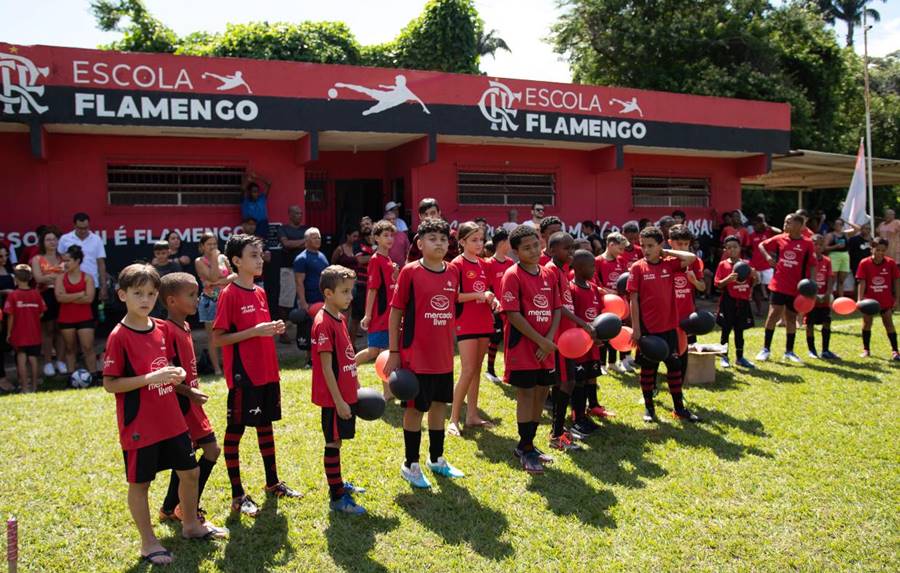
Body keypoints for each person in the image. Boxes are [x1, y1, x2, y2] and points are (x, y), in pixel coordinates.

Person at [102, 264, 225, 567]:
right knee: (140, 484)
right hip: (140, 424)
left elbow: (166, 366)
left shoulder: (160, 328)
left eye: (150, 293)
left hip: (172, 419)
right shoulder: (119, 336)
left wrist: (176, 375)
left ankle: (191, 525)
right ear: (122, 295)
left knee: (190, 472)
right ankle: (148, 542)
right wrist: (149, 379)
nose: (145, 299)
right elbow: (110, 383)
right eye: (137, 293)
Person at [212, 234, 301, 517]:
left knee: (266, 425)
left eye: (260, 254)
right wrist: (255, 331)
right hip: (243, 375)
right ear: (236, 261)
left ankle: (272, 483)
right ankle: (237, 495)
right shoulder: (229, 293)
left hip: (266, 373)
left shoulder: (259, 291)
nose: (259, 259)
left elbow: (258, 329)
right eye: (253, 255)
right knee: (235, 431)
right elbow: (218, 339)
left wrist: (271, 328)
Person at [384, 218, 465, 489]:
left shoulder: (453, 272)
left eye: (443, 239)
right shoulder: (410, 272)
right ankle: (410, 464)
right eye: (433, 239)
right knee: (415, 408)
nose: (439, 243)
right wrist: (395, 351)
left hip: (443, 356)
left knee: (439, 406)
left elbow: (453, 309)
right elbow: (395, 313)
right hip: (415, 356)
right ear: (420, 244)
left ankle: (436, 458)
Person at [157, 272, 221, 524]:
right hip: (181, 407)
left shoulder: (184, 326)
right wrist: (188, 391)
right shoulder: (166, 330)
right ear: (172, 301)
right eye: (191, 295)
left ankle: (170, 507)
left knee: (192, 458)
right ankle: (185, 507)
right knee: (207, 452)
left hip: (192, 405)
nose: (197, 299)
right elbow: (165, 374)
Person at [500, 225, 561, 474]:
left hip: (545, 348)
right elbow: (513, 314)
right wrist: (540, 341)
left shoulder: (549, 274)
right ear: (515, 252)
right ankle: (524, 448)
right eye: (526, 248)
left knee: (541, 392)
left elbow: (556, 308)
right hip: (523, 348)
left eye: (536, 245)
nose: (534, 250)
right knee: (526, 394)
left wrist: (548, 340)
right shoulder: (512, 275)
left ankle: (530, 445)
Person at [626, 226, 700, 423]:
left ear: (660, 245)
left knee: (674, 368)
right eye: (643, 245)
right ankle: (649, 409)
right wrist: (637, 329)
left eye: (651, 245)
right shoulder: (637, 268)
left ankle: (679, 408)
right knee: (648, 370)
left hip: (670, 329)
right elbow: (633, 299)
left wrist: (667, 251)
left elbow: (691, 258)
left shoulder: (670, 264)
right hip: (649, 331)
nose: (646, 250)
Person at [310, 265, 367, 514]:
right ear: (328, 293)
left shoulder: (340, 318)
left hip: (345, 394)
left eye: (351, 291)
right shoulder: (323, 323)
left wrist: (356, 384)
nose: (350, 296)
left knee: (339, 440)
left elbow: (345, 358)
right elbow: (325, 368)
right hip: (334, 399)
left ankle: (338, 482)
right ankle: (337, 497)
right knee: (332, 442)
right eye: (344, 291)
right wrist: (339, 402)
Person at [545, 232, 595, 450]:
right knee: (567, 382)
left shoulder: (563, 271)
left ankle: (558, 429)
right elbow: (559, 307)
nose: (571, 253)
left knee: (564, 382)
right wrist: (583, 324)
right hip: (559, 337)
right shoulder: (551, 271)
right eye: (567, 249)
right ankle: (557, 434)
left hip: (568, 336)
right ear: (552, 250)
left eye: (572, 249)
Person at [448, 222, 497, 436]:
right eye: (474, 240)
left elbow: (487, 291)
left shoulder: (483, 264)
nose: (479, 243)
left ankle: (472, 416)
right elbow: (454, 297)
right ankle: (453, 419)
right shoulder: (456, 265)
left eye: (481, 239)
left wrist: (492, 300)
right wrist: (480, 295)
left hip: (484, 321)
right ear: (462, 242)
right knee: (467, 370)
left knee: (476, 370)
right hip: (465, 323)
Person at [756, 214, 815, 363]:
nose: (785, 224)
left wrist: (812, 285)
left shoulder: (808, 243)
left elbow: (812, 265)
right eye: (785, 221)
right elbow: (761, 245)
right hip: (778, 284)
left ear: (798, 225)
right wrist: (768, 258)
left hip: (796, 288)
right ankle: (765, 349)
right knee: (773, 315)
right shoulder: (779, 238)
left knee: (791, 317)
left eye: (788, 222)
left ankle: (789, 351)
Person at [569, 249, 614, 430]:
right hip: (578, 344)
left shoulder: (594, 288)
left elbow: (598, 314)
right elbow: (570, 318)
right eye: (591, 266)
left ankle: (593, 406)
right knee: (578, 379)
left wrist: (601, 334)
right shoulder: (571, 289)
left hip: (593, 343)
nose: (595, 269)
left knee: (592, 375)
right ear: (579, 268)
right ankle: (577, 415)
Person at [357, 220, 398, 393]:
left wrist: (395, 274)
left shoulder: (388, 260)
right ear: (376, 238)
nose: (389, 239)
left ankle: (388, 392)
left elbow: (390, 286)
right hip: (380, 315)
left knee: (384, 352)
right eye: (385, 235)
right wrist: (367, 315)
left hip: (390, 313)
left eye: (391, 235)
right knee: (376, 351)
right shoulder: (375, 260)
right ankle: (348, 366)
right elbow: (373, 289)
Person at [668, 224, 705, 375]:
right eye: (679, 243)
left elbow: (702, 287)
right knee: (663, 350)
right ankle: (653, 387)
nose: (683, 247)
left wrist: (695, 281)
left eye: (686, 244)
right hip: (666, 315)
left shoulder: (694, 261)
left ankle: (679, 387)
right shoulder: (664, 260)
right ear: (670, 243)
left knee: (682, 351)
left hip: (686, 315)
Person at [195, 232, 234, 376]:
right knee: (213, 336)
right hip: (210, 302)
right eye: (209, 244)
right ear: (202, 246)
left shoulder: (223, 258)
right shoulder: (199, 261)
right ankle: (217, 368)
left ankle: (229, 364)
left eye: (214, 244)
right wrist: (213, 259)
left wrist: (218, 282)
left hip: (226, 300)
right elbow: (210, 276)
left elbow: (234, 275)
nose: (212, 247)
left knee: (229, 333)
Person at [715, 236, 757, 368]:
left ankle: (740, 357)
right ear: (725, 250)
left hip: (743, 302)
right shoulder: (723, 264)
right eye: (729, 247)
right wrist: (728, 279)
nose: (732, 249)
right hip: (728, 301)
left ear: (740, 248)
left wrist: (755, 276)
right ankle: (724, 356)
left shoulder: (747, 264)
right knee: (725, 330)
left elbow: (753, 283)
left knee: (740, 331)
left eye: (735, 247)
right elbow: (717, 284)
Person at [55, 245, 97, 379]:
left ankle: (94, 376)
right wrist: (79, 294)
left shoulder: (88, 277)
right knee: (69, 348)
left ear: (77, 261)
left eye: (68, 260)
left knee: (88, 347)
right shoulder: (60, 278)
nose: (64, 264)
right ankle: (70, 378)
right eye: (63, 261)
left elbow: (89, 298)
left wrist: (68, 297)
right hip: (66, 318)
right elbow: (59, 297)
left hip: (85, 317)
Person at [29, 227, 66, 377]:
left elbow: (66, 276)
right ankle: (48, 362)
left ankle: (61, 361)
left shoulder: (63, 258)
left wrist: (50, 276)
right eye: (48, 239)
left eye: (54, 239)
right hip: (45, 296)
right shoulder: (37, 259)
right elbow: (38, 278)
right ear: (43, 242)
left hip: (61, 296)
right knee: (48, 330)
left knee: (61, 330)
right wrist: (57, 276)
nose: (52, 242)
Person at [856, 238, 900, 360]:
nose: (880, 253)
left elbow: (896, 281)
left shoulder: (890, 263)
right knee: (866, 324)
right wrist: (860, 300)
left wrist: (897, 299)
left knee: (889, 324)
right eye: (877, 250)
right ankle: (866, 350)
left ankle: (895, 351)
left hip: (885, 300)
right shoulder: (864, 263)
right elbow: (862, 282)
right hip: (869, 300)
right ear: (872, 249)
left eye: (883, 250)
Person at [595, 232, 632, 374]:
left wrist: (622, 294)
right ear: (611, 245)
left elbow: (625, 281)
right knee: (605, 331)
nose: (622, 252)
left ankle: (617, 361)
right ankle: (602, 364)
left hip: (620, 303)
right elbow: (595, 283)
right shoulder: (598, 261)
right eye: (620, 248)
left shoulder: (621, 261)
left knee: (620, 330)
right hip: (606, 303)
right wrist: (609, 292)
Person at [4, 264, 45, 393]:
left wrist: (9, 333)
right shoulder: (36, 294)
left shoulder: (13, 295)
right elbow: (42, 312)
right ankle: (34, 386)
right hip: (34, 332)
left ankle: (24, 387)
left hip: (19, 333)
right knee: (33, 359)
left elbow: (10, 316)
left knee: (21, 358)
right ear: (30, 277)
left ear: (15, 278)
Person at [294, 227, 330, 362]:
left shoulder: (322, 256)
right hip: (311, 301)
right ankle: (309, 359)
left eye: (319, 237)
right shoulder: (301, 259)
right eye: (314, 237)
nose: (318, 240)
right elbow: (299, 282)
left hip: (324, 300)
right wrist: (303, 302)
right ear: (307, 240)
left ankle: (323, 356)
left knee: (323, 329)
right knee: (309, 330)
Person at [58, 212, 108, 307]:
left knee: (93, 317)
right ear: (74, 225)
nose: (83, 231)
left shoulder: (96, 239)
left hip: (92, 283)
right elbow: (59, 261)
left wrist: (103, 286)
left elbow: (101, 264)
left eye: (86, 228)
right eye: (80, 228)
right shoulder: (65, 239)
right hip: (69, 284)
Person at [485, 229, 515, 384]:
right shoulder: (488, 263)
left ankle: (508, 371)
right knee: (495, 339)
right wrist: (493, 303)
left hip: (509, 309)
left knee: (509, 340)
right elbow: (486, 287)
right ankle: (490, 370)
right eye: (509, 241)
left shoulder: (510, 263)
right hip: (494, 308)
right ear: (502, 243)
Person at [277, 205, 308, 341]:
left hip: (305, 270)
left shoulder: (305, 229)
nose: (299, 216)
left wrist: (295, 243)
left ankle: (304, 331)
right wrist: (303, 242)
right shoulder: (283, 229)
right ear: (289, 214)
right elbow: (286, 244)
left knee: (304, 301)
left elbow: (310, 244)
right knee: (285, 302)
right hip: (288, 269)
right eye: (296, 213)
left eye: (301, 213)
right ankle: (282, 332)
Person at [806, 235, 837, 360]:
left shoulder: (827, 260)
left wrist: (828, 293)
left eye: (820, 244)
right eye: (815, 244)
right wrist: (812, 295)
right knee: (810, 324)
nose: (818, 247)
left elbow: (830, 277)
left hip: (824, 297)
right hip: (810, 298)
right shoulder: (807, 260)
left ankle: (825, 350)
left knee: (827, 322)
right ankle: (812, 350)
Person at [746, 216, 778, 317]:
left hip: (767, 266)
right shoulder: (751, 235)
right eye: (753, 224)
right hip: (755, 265)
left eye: (756, 224)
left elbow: (780, 232)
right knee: (757, 289)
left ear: (762, 224)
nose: (754, 226)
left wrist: (768, 226)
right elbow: (747, 248)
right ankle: (759, 311)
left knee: (771, 289)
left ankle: (772, 310)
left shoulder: (768, 233)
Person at [824, 219, 860, 299]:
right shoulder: (830, 235)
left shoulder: (845, 234)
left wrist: (846, 221)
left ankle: (841, 299)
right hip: (834, 255)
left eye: (840, 224)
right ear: (833, 226)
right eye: (836, 224)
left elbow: (857, 229)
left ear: (842, 226)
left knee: (841, 281)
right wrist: (835, 246)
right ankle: (829, 298)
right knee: (832, 280)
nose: (838, 226)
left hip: (845, 255)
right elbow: (824, 247)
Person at [352, 226, 375, 340]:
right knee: (356, 318)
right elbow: (360, 260)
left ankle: (372, 346)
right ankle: (351, 346)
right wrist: (376, 255)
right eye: (363, 223)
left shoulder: (376, 244)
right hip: (361, 284)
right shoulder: (358, 244)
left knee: (373, 316)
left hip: (375, 285)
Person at [151, 240, 181, 318]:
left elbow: (178, 282)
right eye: (158, 253)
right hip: (156, 302)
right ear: (154, 253)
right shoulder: (152, 269)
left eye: (163, 253)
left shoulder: (175, 266)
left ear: (168, 252)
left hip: (172, 299)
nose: (161, 256)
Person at [0, 246, 15, 392]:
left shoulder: (11, 272)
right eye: (0, 257)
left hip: (11, 315)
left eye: (6, 256)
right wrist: (4, 292)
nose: (4, 259)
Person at [241, 172, 272, 238]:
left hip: (262, 225)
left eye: (257, 191)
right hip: (250, 225)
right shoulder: (245, 201)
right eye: (254, 192)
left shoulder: (262, 198)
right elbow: (243, 188)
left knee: (261, 245)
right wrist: (248, 180)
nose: (256, 194)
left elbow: (269, 184)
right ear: (249, 192)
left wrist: (258, 177)